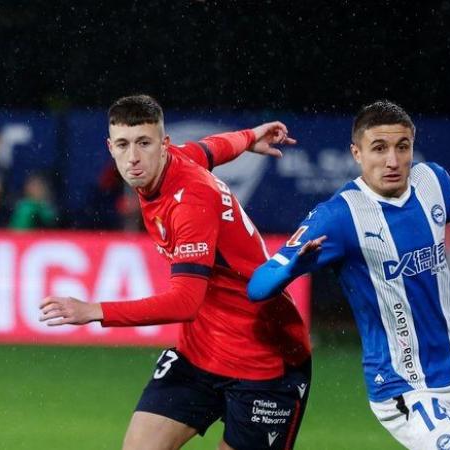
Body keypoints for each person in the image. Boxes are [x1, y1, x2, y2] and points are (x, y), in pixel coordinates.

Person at [248, 100, 450, 450]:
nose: (393, 160)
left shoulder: (431, 179)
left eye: (402, 147)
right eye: (379, 148)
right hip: (404, 386)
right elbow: (258, 284)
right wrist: (294, 267)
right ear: (356, 153)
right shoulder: (338, 216)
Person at [39, 95, 311, 450]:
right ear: (110, 146)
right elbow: (212, 148)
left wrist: (94, 311)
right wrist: (250, 136)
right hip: (199, 353)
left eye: (144, 144)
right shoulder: (173, 160)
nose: (133, 157)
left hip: (263, 361)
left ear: (164, 145)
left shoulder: (191, 201)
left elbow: (185, 302)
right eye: (123, 144)